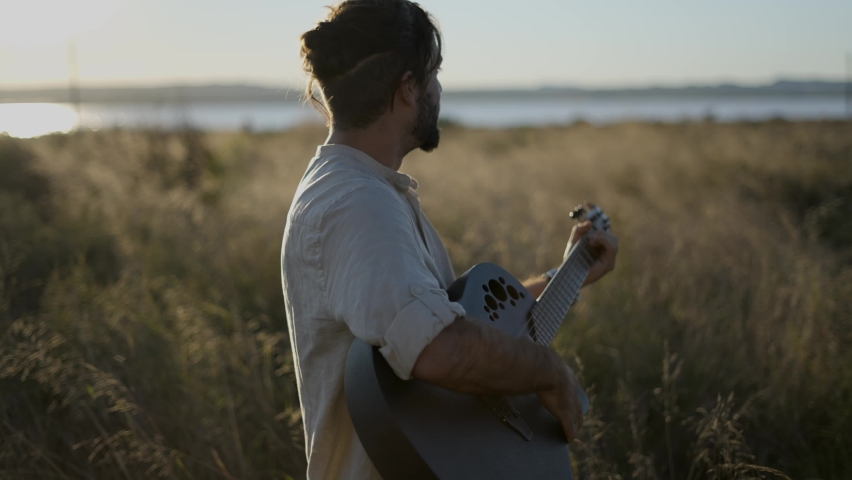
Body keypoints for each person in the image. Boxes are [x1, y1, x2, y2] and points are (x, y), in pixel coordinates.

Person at [280, 1, 619, 478]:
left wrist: (568, 272)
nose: (439, 90)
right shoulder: (355, 203)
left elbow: (448, 323)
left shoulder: (369, 191)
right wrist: (549, 371)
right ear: (407, 90)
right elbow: (439, 347)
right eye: (433, 75)